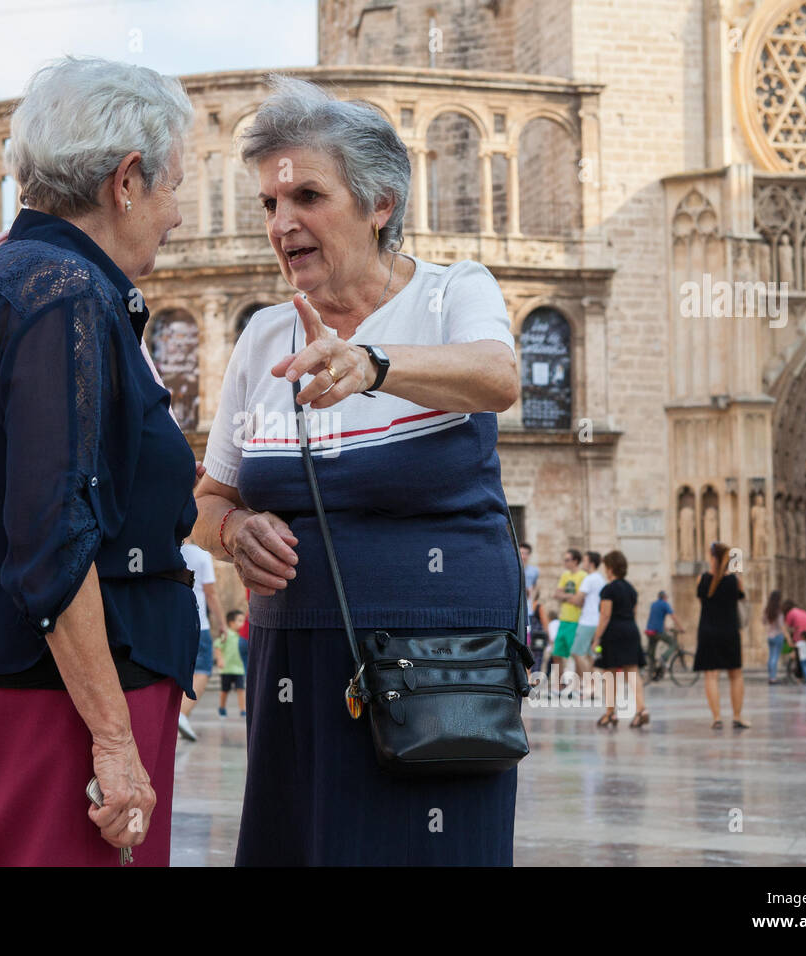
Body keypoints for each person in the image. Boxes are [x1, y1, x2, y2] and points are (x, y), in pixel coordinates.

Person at [191, 75, 523, 866]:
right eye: (270, 204)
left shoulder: (452, 293)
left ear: (379, 203)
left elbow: (497, 377)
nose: (283, 222)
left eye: (308, 195)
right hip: (294, 664)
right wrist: (235, 529)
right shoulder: (262, 337)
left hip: (440, 666)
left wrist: (372, 364)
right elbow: (206, 501)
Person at [0, 57, 198, 866]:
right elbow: (51, 532)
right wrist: (114, 741)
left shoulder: (18, 277)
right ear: (125, 181)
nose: (177, 215)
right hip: (70, 703)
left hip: (40, 682)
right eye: (172, 187)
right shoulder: (66, 295)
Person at [694, 541, 749, 728]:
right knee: (735, 674)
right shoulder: (734, 581)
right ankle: (737, 716)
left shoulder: (702, 579)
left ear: (712, 558)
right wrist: (736, 572)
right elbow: (742, 599)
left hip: (708, 630)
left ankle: (717, 718)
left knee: (711, 676)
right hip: (729, 631)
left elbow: (704, 602)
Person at [591, 550, 647, 727]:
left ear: (610, 568)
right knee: (633, 672)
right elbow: (634, 612)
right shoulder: (631, 589)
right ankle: (641, 709)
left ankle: (610, 713)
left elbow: (605, 615)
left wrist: (596, 638)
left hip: (614, 632)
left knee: (610, 674)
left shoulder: (608, 589)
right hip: (631, 629)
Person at [178, 540, 223, 742]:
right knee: (204, 669)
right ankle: (181, 714)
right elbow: (211, 594)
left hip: (174, 623)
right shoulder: (202, 555)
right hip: (199, 623)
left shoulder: (173, 550)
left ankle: (176, 716)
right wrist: (221, 622)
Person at [570, 551, 606, 681]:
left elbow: (577, 599)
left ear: (591, 563)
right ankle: (592, 685)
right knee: (590, 655)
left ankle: (589, 683)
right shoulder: (601, 578)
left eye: (584, 561)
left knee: (577, 652)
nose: (582, 563)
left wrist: (566, 596)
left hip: (587, 621)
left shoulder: (589, 578)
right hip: (597, 621)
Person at [553, 549, 586, 680]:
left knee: (575, 654)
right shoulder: (565, 575)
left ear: (575, 561)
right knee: (556, 653)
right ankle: (559, 685)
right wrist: (570, 596)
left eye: (567, 560)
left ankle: (579, 684)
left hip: (576, 620)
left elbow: (580, 600)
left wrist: (565, 596)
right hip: (563, 619)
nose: (564, 562)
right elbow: (556, 594)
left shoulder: (583, 576)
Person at [213, 612, 246, 718]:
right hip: (227, 669)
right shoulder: (226, 634)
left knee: (241, 689)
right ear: (231, 623)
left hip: (240, 669)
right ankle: (222, 708)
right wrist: (219, 659)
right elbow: (218, 646)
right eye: (240, 620)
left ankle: (243, 710)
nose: (243, 623)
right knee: (225, 690)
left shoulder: (243, 636)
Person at [643, 589, 678, 674]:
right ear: (664, 597)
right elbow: (673, 616)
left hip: (649, 631)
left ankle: (652, 672)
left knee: (651, 652)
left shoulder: (653, 604)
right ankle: (664, 658)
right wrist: (680, 628)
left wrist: (665, 627)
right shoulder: (664, 604)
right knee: (674, 644)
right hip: (657, 631)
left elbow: (657, 617)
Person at [782, 599, 806, 686]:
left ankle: (800, 678)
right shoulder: (803, 612)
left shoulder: (791, 613)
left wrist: (789, 640)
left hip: (800, 638)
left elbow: (785, 628)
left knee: (800, 659)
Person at [520, 542, 541, 648]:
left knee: (527, 643)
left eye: (526, 553)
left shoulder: (534, 571)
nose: (523, 556)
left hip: (528, 610)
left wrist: (533, 596)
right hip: (517, 610)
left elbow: (536, 587)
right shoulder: (513, 569)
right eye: (521, 553)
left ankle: (527, 665)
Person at [761, 589, 784, 684]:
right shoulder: (778, 611)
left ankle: (771, 676)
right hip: (778, 635)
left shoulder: (767, 610)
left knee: (771, 657)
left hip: (769, 635)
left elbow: (763, 621)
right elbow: (781, 624)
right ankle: (773, 678)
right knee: (775, 657)